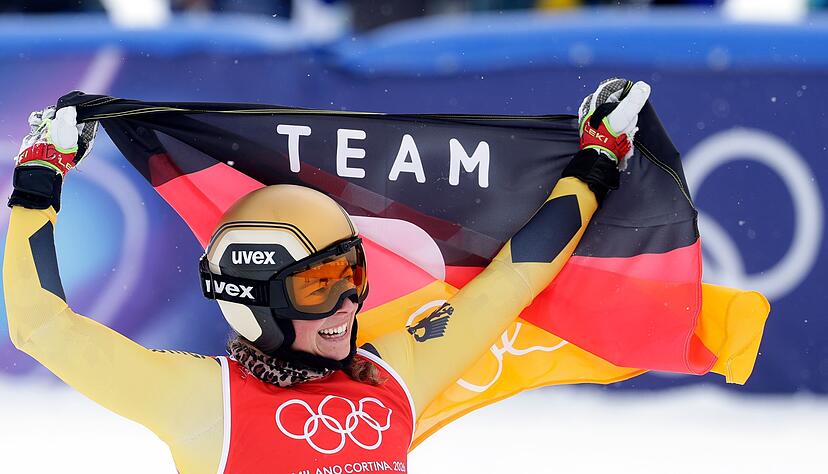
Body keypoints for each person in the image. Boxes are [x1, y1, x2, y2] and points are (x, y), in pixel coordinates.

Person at [4, 78, 650, 473]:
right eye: (320, 286)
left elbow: (511, 279)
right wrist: (39, 180)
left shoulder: (396, 373)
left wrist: (596, 163)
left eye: (351, 273)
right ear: (256, 302)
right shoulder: (204, 401)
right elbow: (41, 327)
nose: (348, 303)